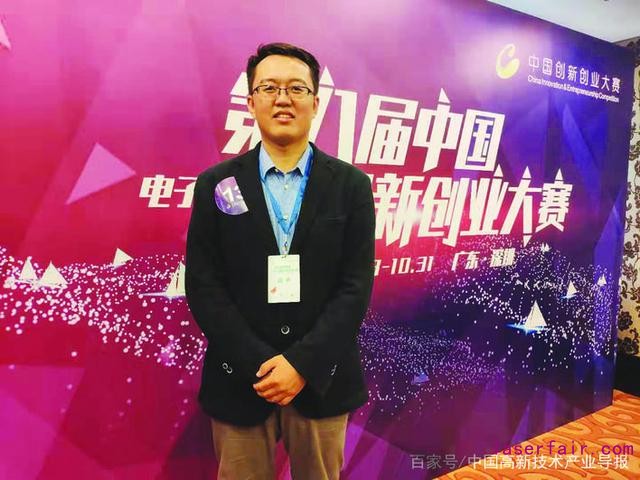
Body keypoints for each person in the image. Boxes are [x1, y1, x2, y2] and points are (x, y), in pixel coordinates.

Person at [185, 42, 375, 480]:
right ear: (251, 102)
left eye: (296, 88)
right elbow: (204, 285)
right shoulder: (216, 184)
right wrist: (262, 364)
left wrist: (301, 365)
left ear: (315, 102)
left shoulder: (351, 186)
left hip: (323, 379)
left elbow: (354, 287)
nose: (283, 98)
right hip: (239, 379)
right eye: (269, 88)